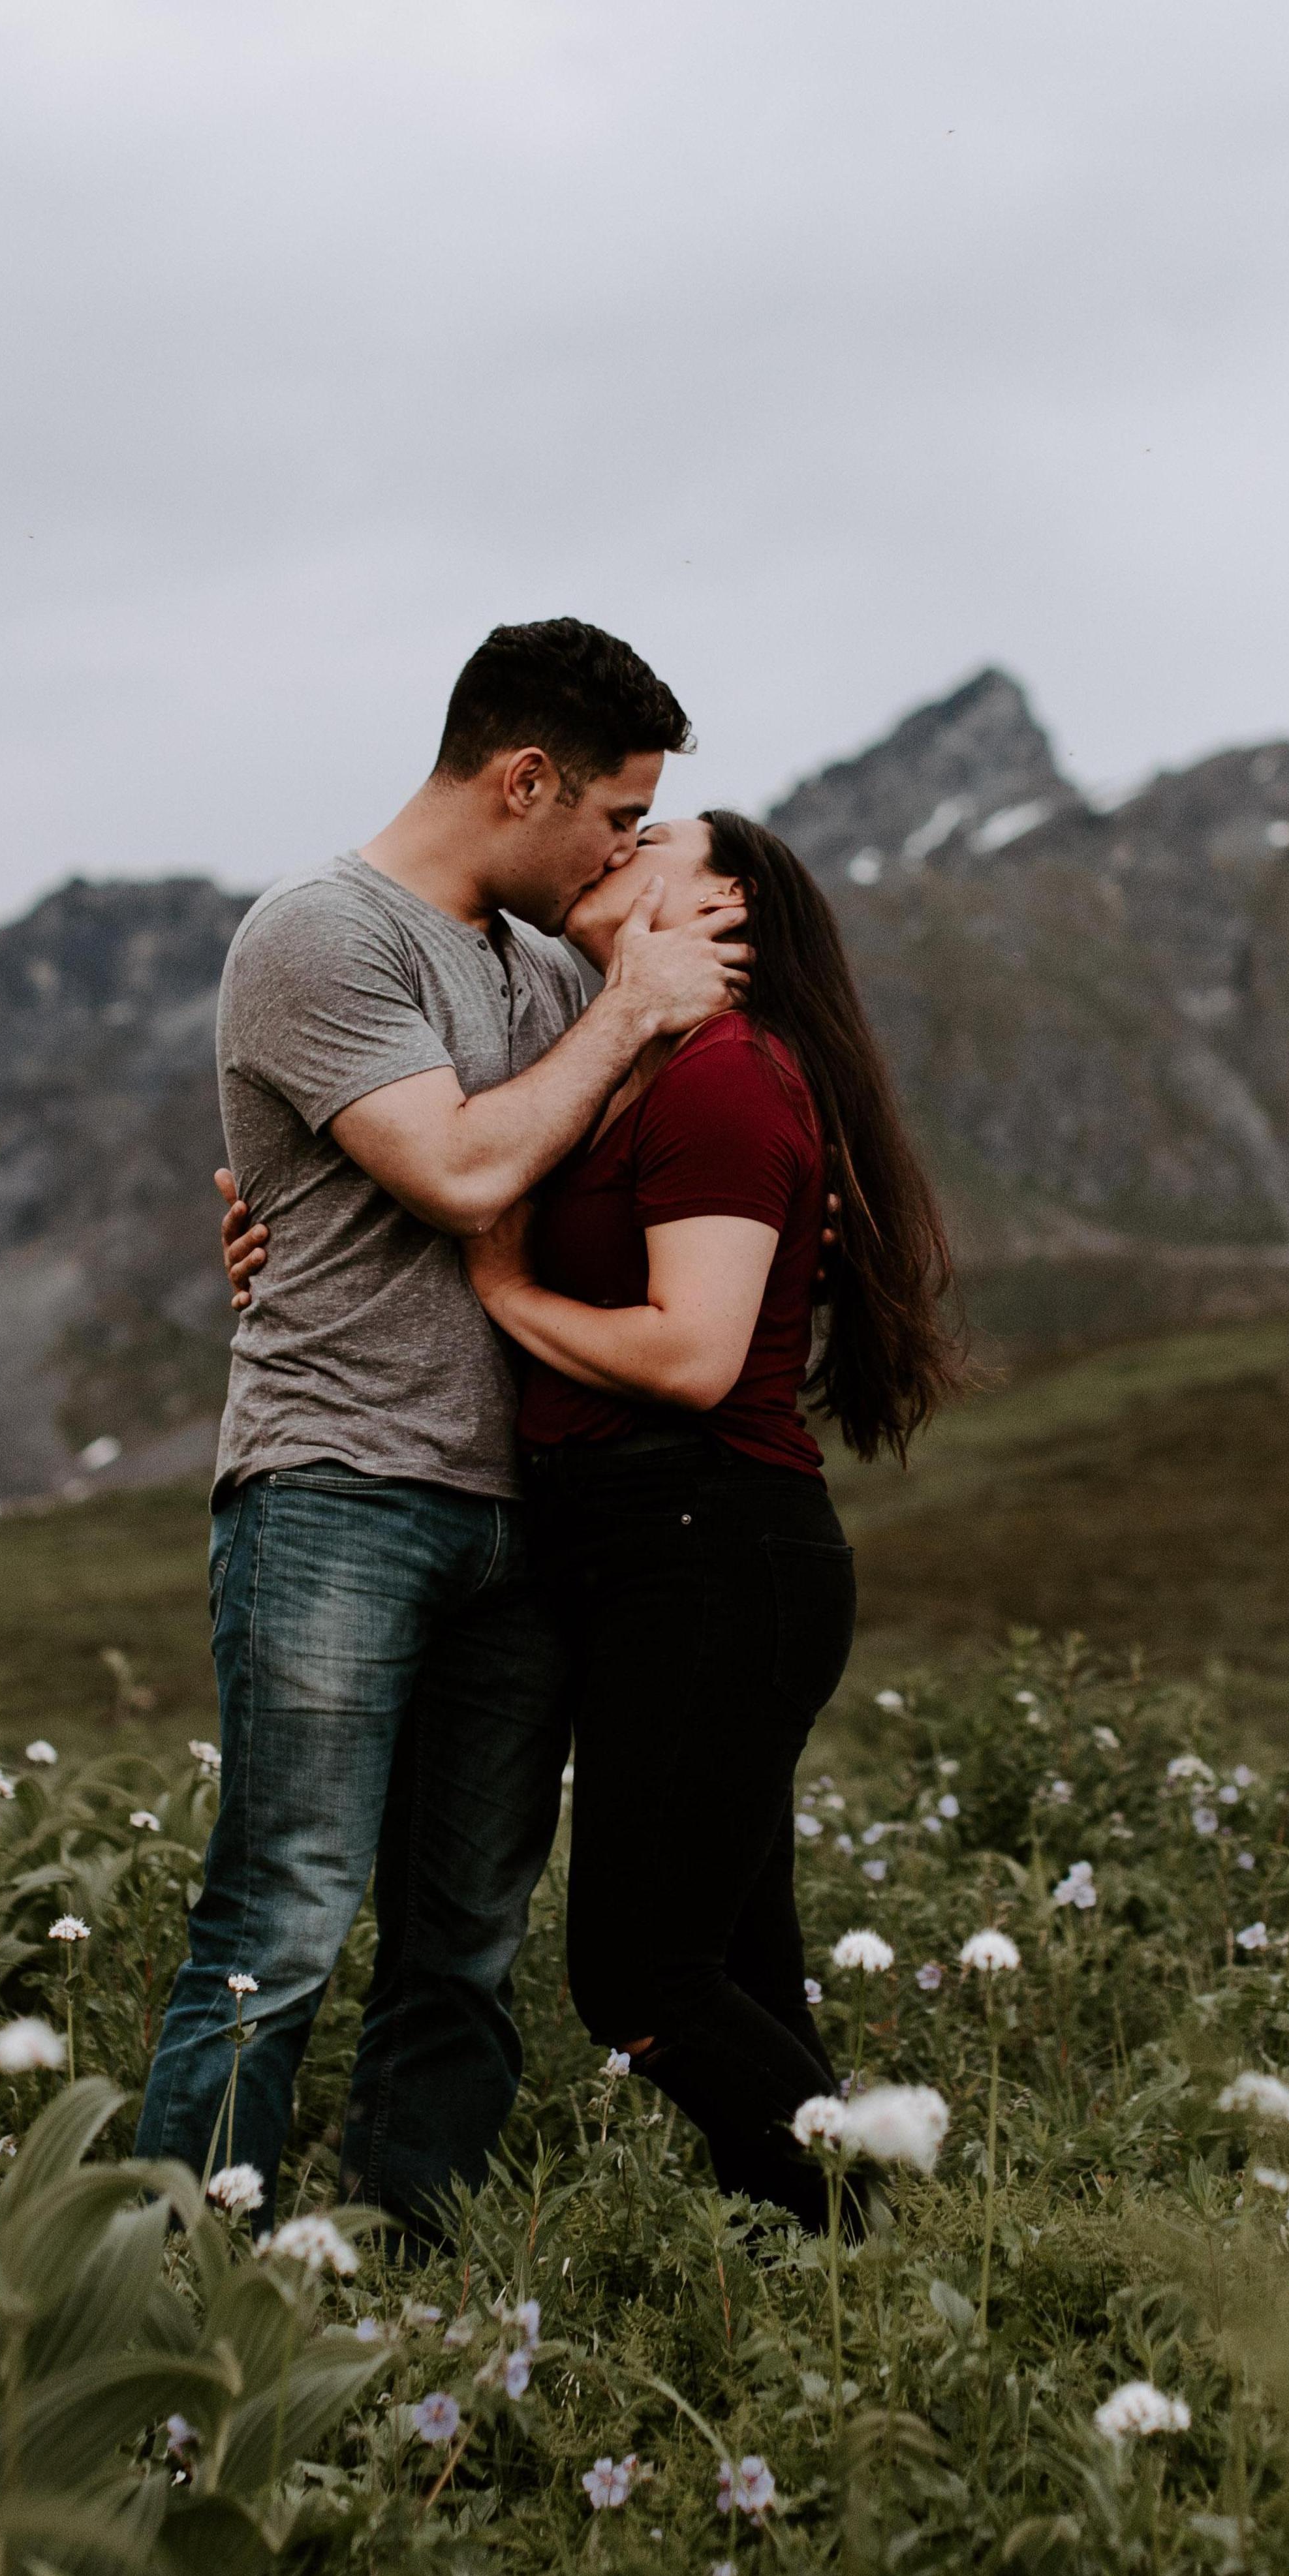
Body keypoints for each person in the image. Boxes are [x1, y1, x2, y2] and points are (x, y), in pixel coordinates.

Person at [133, 619, 747, 2233]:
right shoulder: (319, 933)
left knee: (466, 1931)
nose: (623, 850)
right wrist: (626, 1011)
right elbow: (466, 1171)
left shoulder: (544, 968)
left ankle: (405, 2266)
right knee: (285, 1907)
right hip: (339, 1484)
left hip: (526, 1510)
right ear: (523, 776)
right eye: (616, 816)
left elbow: (612, 1175)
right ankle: (178, 2281)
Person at [468, 808, 959, 2224]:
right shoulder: (638, 1062)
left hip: (709, 1551)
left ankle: (877, 2218)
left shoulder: (728, 1078)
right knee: (734, 1961)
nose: (614, 846)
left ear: (729, 905)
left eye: (653, 837)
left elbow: (690, 1353)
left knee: (637, 1976)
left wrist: (509, 1293)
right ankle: (833, 2286)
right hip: (668, 1555)